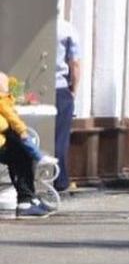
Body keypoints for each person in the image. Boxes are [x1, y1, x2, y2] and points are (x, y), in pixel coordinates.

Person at [0, 71, 53, 218]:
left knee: (22, 151)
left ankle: (30, 198)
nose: (7, 91)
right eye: (5, 88)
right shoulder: (2, 101)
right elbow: (9, 119)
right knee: (21, 156)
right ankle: (25, 201)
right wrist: (21, 131)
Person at [53, 17, 81, 195]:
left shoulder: (28, 23)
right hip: (60, 88)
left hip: (32, 86)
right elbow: (75, 62)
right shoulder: (66, 28)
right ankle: (60, 180)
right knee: (60, 138)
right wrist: (74, 90)